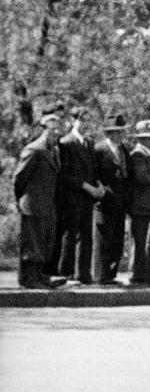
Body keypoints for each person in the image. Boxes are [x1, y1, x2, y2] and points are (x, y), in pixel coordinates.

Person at [13, 108, 64, 289]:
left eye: (58, 130)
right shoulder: (34, 150)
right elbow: (19, 178)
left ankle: (39, 275)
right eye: (52, 130)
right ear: (44, 130)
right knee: (32, 243)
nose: (56, 134)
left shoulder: (54, 151)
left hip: (47, 204)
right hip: (32, 204)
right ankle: (29, 278)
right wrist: (20, 200)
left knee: (45, 242)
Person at [55, 107, 105, 285]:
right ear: (73, 120)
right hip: (73, 196)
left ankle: (83, 274)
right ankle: (66, 274)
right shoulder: (66, 143)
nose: (85, 123)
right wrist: (86, 186)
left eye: (88, 119)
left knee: (86, 236)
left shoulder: (89, 143)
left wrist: (98, 185)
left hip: (88, 197)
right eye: (82, 119)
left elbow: (93, 169)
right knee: (70, 235)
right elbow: (63, 175)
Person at [91, 114, 132, 285]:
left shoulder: (124, 150)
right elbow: (93, 173)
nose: (119, 135)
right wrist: (100, 187)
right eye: (115, 132)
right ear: (108, 133)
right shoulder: (100, 150)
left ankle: (111, 275)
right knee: (103, 240)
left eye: (121, 132)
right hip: (105, 202)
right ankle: (100, 275)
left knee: (117, 241)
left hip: (120, 202)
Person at [126, 120, 150, 285]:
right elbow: (142, 177)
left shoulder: (148, 155)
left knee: (147, 241)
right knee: (140, 241)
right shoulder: (138, 155)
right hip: (140, 205)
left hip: (148, 205)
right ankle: (138, 274)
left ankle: (146, 273)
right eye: (148, 138)